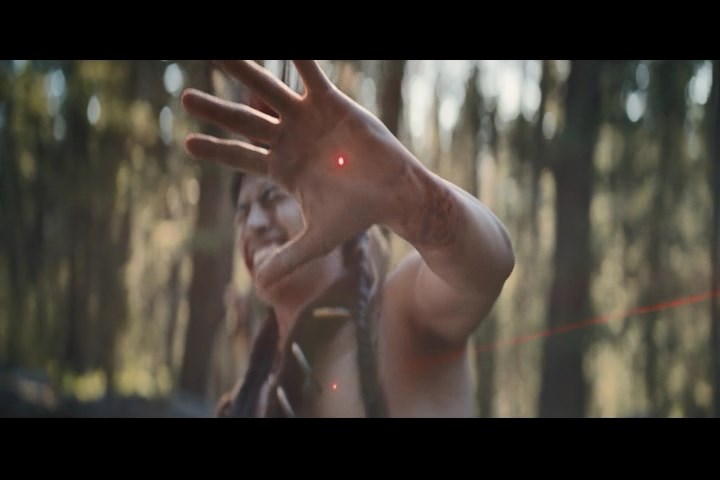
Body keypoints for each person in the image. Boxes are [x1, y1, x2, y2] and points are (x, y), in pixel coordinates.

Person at [181, 60, 515, 417]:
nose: (255, 223)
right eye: (242, 212)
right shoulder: (246, 394)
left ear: (341, 209)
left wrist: (403, 189)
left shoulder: (400, 320)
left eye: (271, 197)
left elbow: (486, 269)